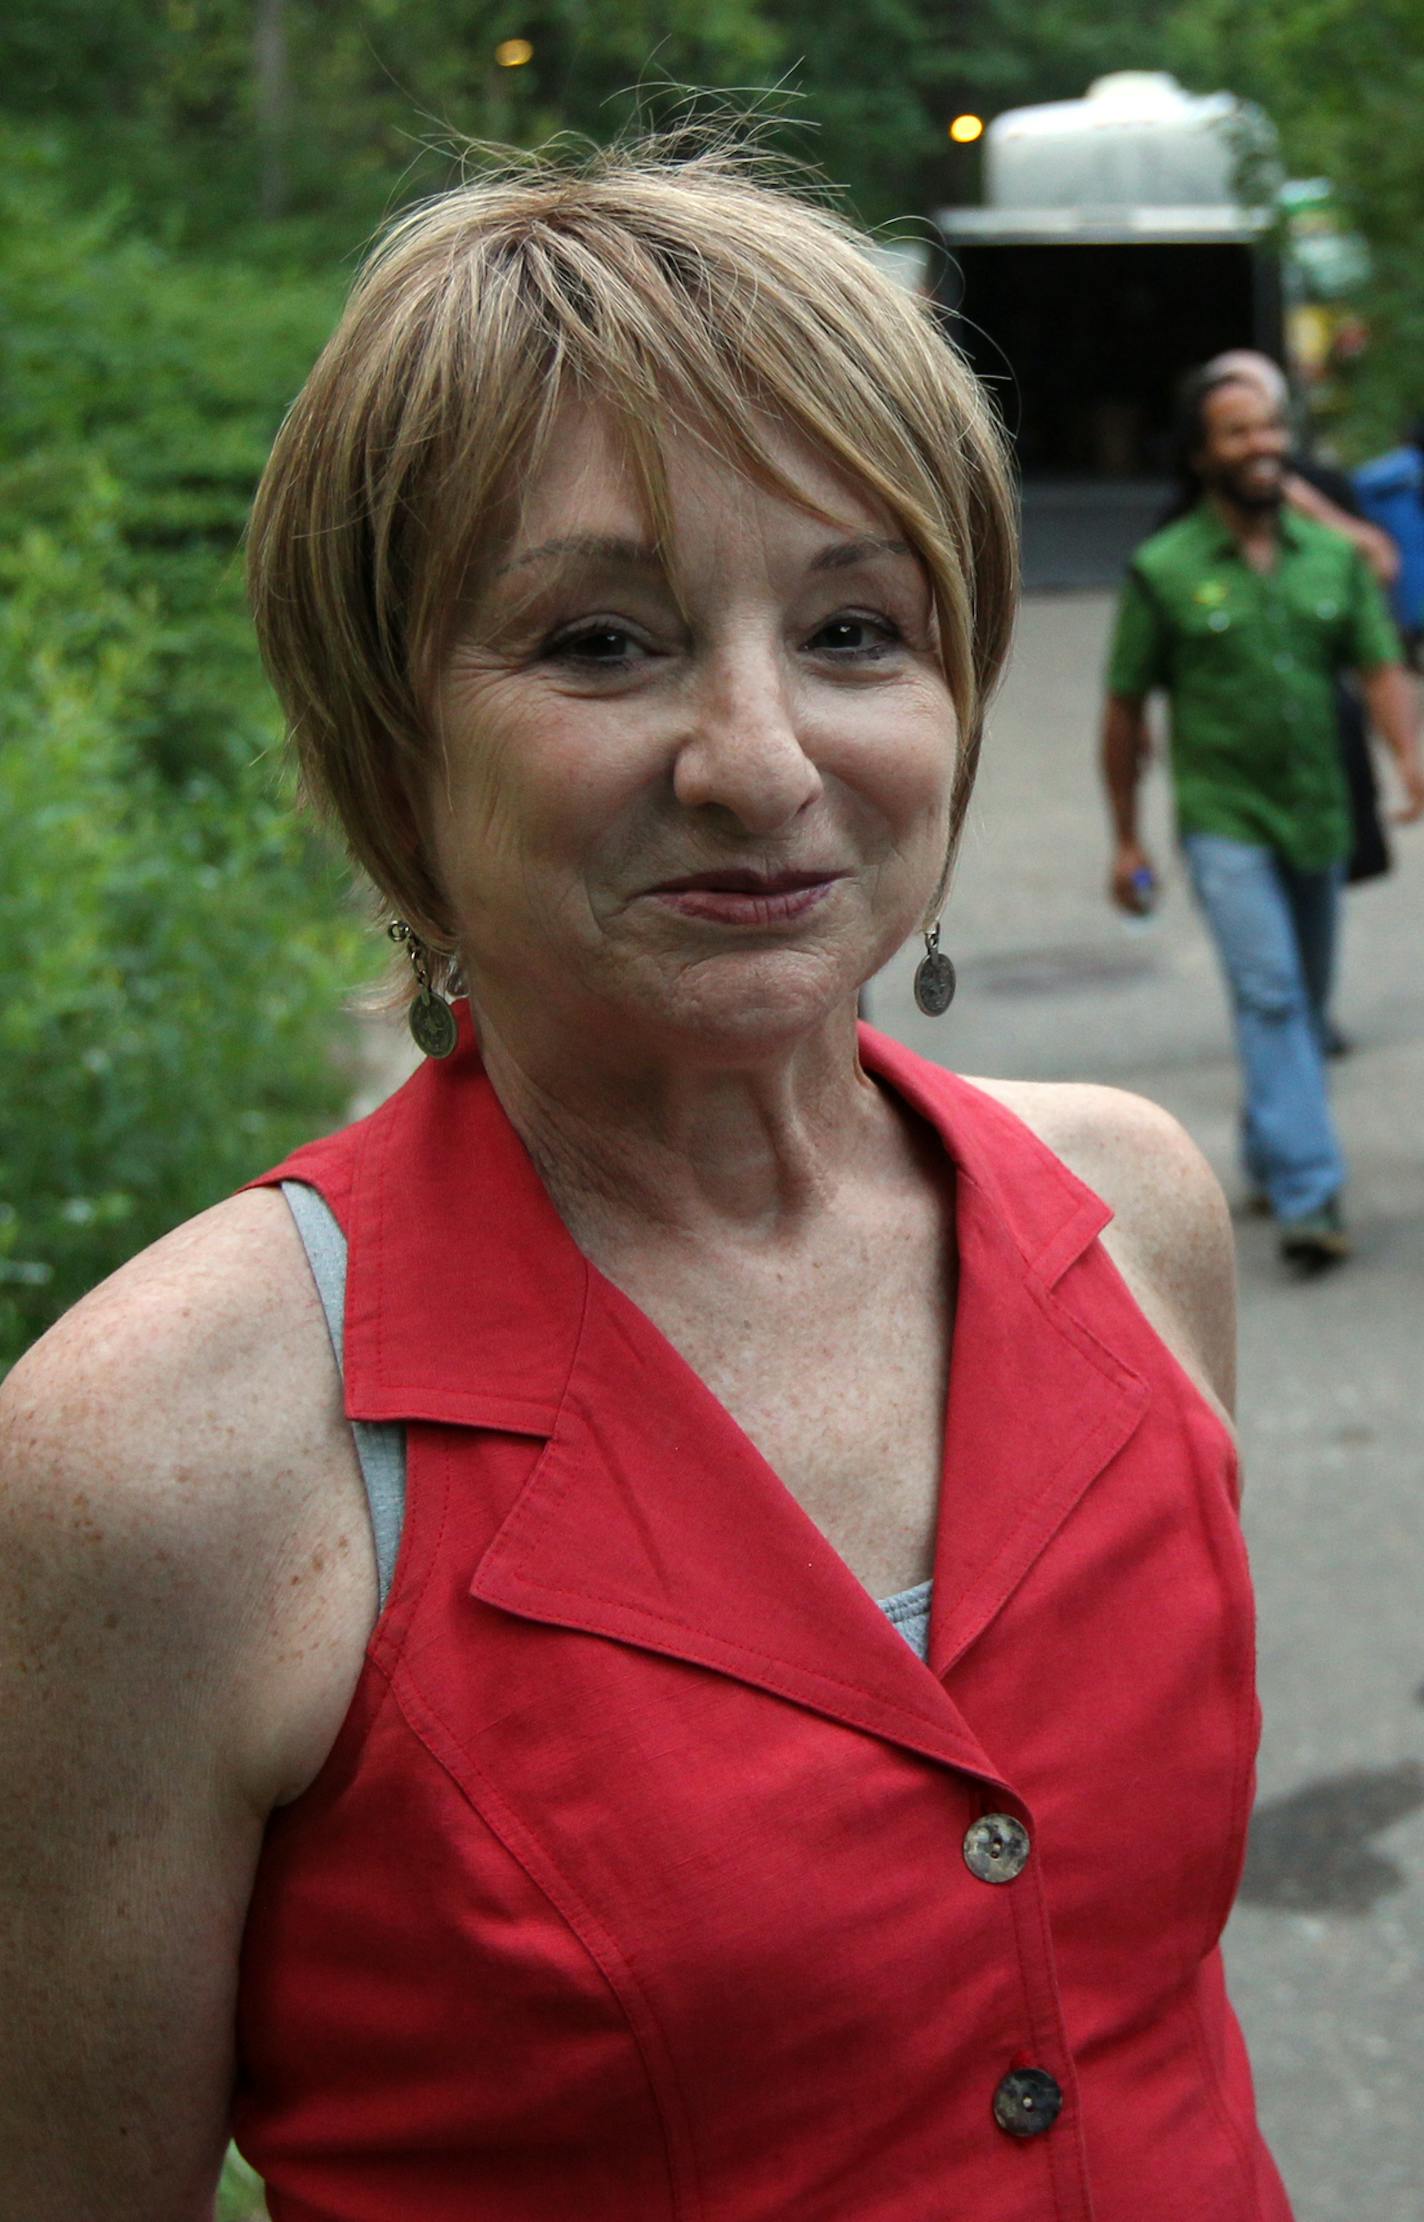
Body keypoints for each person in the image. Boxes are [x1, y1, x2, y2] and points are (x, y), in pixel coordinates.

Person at [1, 148, 1295, 2221]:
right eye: (600, 642)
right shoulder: (163, 1452)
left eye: (858, 626)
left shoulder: (1130, 1216)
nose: (763, 760)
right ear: (382, 733)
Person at [1103, 365, 1424, 1267]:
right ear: (1204, 454)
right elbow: (1124, 708)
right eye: (1238, 433)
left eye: (1271, 429)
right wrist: (1126, 833)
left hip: (1317, 814)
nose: (1262, 447)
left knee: (1301, 1002)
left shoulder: (1331, 560)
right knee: (1274, 994)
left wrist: (1408, 755)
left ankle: (1268, 1144)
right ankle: (1310, 1196)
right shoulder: (1163, 570)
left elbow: (1377, 665)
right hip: (1224, 818)